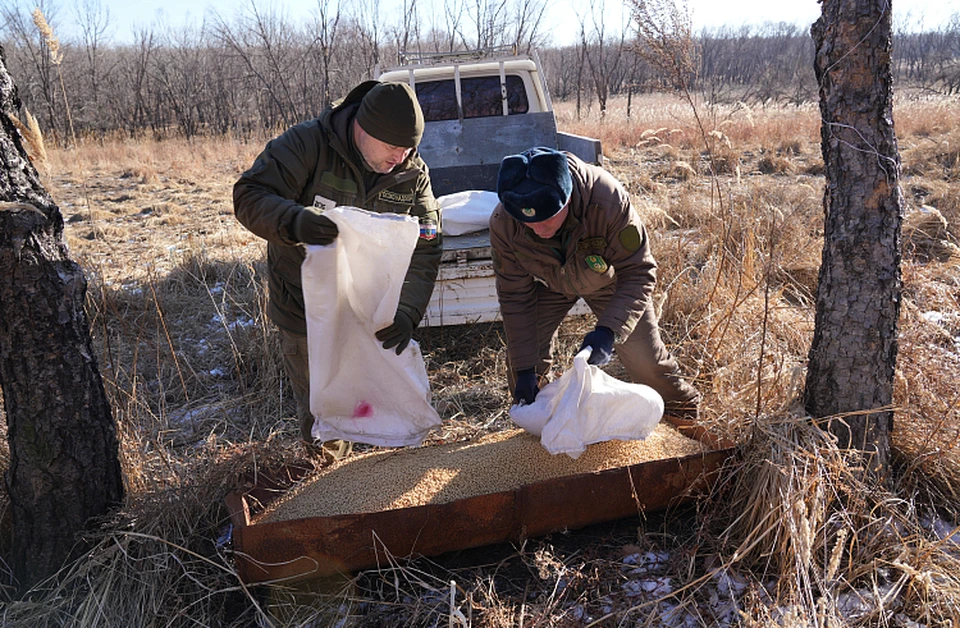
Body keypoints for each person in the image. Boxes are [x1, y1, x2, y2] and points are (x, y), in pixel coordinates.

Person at [233, 81, 443, 454]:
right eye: (393, 147)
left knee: (387, 404)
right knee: (327, 416)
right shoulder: (309, 144)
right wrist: (294, 222)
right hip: (307, 312)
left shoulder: (412, 172)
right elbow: (250, 195)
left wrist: (408, 311)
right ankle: (331, 488)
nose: (401, 156)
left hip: (373, 314)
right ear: (364, 128)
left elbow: (427, 243)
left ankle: (381, 488)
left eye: (409, 148)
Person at [489, 146, 700, 418]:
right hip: (550, 284)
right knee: (522, 368)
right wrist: (525, 370)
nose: (539, 228)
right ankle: (544, 426)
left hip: (609, 282)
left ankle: (683, 418)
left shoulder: (607, 200)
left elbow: (638, 272)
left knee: (646, 362)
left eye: (548, 217)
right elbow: (515, 297)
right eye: (529, 222)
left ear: (567, 198)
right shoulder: (504, 223)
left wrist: (609, 332)